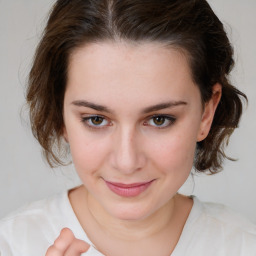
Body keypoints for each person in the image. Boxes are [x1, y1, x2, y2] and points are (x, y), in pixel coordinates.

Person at [0, 0, 255, 255]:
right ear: (60, 116)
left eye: (159, 119)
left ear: (206, 114)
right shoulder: (10, 245)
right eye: (96, 120)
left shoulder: (245, 245)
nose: (126, 162)